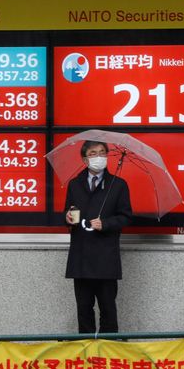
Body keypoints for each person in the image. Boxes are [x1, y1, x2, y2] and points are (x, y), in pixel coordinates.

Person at [64, 140, 132, 334]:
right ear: (85, 159)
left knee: (108, 309)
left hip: (105, 258)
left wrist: (106, 223)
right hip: (81, 257)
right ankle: (87, 353)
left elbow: (126, 216)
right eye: (93, 153)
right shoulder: (75, 184)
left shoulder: (118, 185)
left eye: (102, 152)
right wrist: (68, 218)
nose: (99, 157)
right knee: (83, 309)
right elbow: (68, 212)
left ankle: (108, 353)